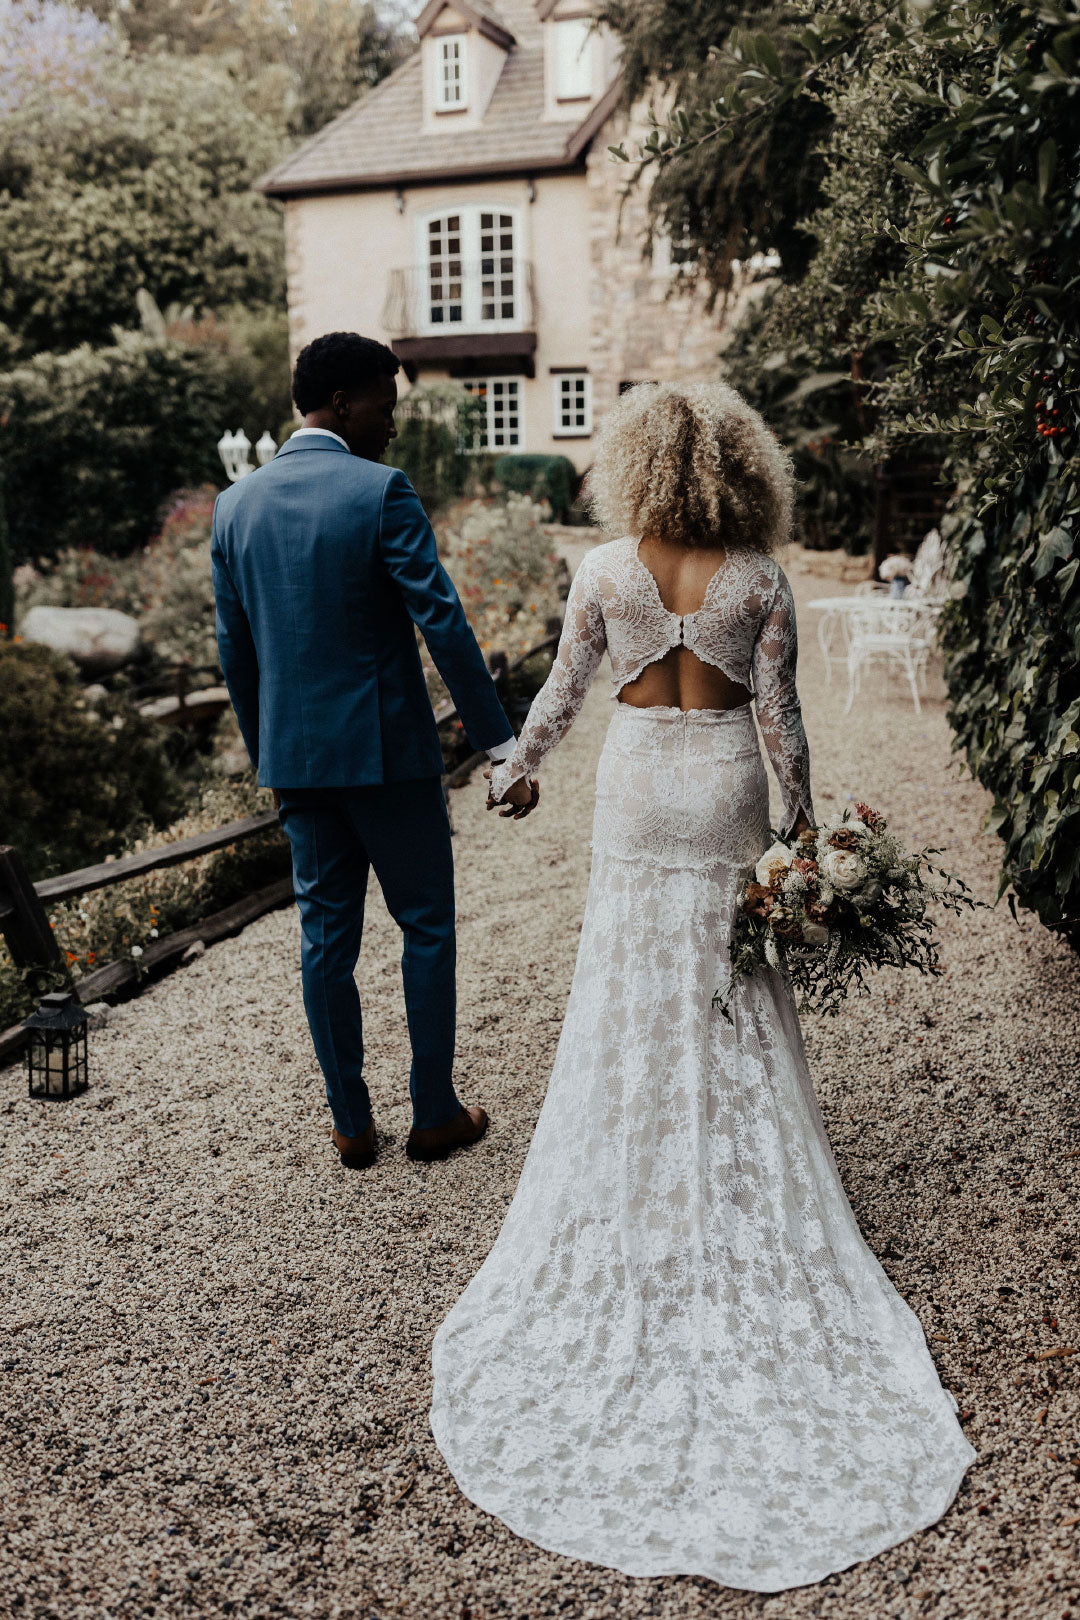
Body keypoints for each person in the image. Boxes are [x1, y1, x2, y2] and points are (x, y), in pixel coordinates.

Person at [431, 382, 975, 1591]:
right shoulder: (759, 580)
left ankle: (636, 1164)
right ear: (743, 468)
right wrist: (804, 839)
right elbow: (781, 721)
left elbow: (561, 702)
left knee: (629, 982)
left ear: (632, 464)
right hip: (722, 783)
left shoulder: (603, 572)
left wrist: (519, 772)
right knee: (732, 988)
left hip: (636, 791)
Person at [211, 332, 536, 1170]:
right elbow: (444, 624)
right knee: (425, 926)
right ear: (345, 403)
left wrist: (268, 755)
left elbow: (235, 653)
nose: (392, 426)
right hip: (390, 758)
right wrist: (502, 744)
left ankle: (351, 1125)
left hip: (298, 766)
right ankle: (432, 1114)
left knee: (326, 941)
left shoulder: (235, 506)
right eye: (385, 408)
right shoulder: (380, 492)